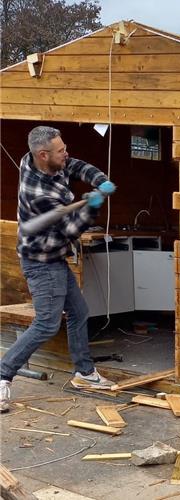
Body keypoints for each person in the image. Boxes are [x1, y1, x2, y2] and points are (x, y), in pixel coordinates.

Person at [0, 126, 117, 413]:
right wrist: (92, 206)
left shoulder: (46, 162)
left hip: (54, 256)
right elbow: (70, 229)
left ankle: (84, 373)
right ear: (43, 155)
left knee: (79, 312)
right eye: (61, 150)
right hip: (42, 262)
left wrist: (99, 180)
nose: (66, 154)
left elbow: (76, 165)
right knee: (47, 324)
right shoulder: (40, 194)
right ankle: (3, 374)